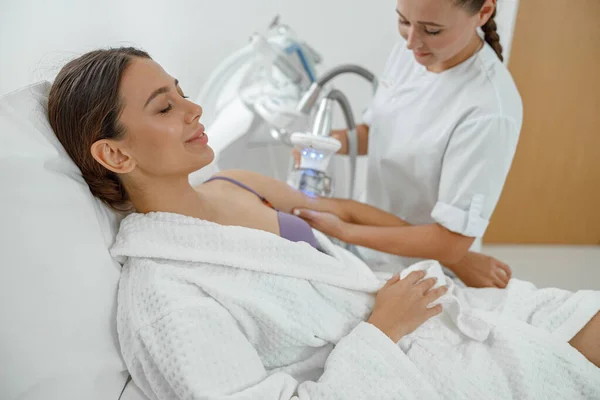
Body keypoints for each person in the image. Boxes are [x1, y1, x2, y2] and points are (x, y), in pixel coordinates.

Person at [47, 47, 600, 400]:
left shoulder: (238, 183)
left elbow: (345, 216)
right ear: (116, 156)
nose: (193, 110)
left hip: (437, 309)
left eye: (183, 94)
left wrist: (457, 255)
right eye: (164, 108)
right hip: (408, 363)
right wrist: (384, 330)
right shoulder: (166, 295)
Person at [292, 0, 521, 289]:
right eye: (403, 22)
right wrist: (326, 143)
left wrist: (346, 228)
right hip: (363, 248)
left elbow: (450, 243)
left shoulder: (488, 110)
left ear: (484, 12)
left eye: (432, 30)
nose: (412, 41)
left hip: (422, 272)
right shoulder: (414, 52)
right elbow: (381, 133)